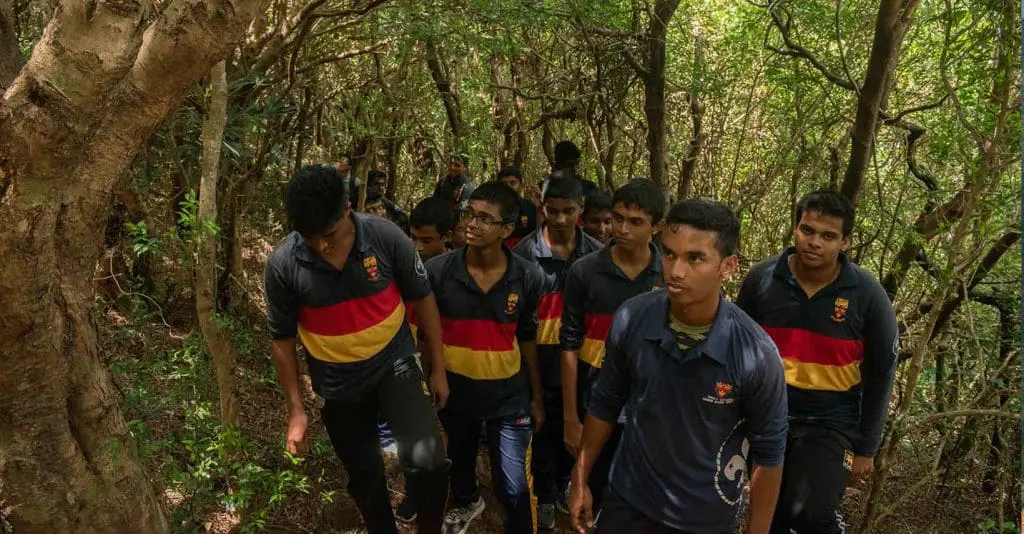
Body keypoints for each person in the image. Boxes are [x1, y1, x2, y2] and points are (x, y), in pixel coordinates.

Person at [570, 198, 788, 534]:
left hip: (704, 518)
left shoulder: (755, 355)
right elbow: (605, 401)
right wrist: (580, 479)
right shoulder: (633, 318)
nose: (675, 271)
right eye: (669, 254)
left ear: (728, 266)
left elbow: (769, 455)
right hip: (628, 502)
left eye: (695, 258)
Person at [263, 165, 449, 534]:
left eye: (328, 235)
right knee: (365, 476)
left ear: (347, 210)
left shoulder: (385, 237)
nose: (321, 245)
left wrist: (439, 368)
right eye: (310, 238)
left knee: (428, 460)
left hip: (393, 364)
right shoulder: (283, 265)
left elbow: (423, 298)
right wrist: (296, 410)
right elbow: (282, 340)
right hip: (337, 382)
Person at [735, 189, 899, 534]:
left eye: (828, 236)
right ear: (795, 229)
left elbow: (882, 372)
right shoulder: (762, 279)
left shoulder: (867, 294)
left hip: (831, 421)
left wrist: (867, 448)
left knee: (811, 512)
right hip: (766, 415)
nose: (814, 242)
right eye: (807, 230)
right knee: (769, 513)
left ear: (845, 242)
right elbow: (736, 350)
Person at [426, 181, 545, 534]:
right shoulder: (438, 272)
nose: (471, 224)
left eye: (484, 218)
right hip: (455, 391)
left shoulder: (528, 276)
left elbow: (527, 337)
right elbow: (425, 335)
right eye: (469, 214)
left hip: (508, 397)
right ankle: (467, 501)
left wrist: (536, 397)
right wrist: (430, 378)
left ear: (506, 229)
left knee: (514, 486)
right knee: (459, 460)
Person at [559, 179, 666, 513]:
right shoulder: (585, 271)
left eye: (635, 222)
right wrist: (570, 416)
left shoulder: (667, 275)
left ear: (656, 226)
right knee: (592, 485)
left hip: (649, 403)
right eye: (618, 218)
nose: (622, 229)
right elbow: (569, 343)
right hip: (595, 398)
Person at [513, 177, 602, 529]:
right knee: (542, 434)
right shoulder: (523, 255)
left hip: (581, 362)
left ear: (580, 211)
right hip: (539, 361)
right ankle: (546, 495)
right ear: (542, 207)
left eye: (569, 211)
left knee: (577, 429)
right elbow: (520, 323)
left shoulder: (596, 254)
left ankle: (567, 484)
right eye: (553, 211)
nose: (561, 219)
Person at [497, 165, 537, 248]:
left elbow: (538, 234)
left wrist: (540, 208)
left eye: (513, 183)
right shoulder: (492, 208)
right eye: (504, 184)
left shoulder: (530, 206)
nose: (508, 187)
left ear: (520, 185)